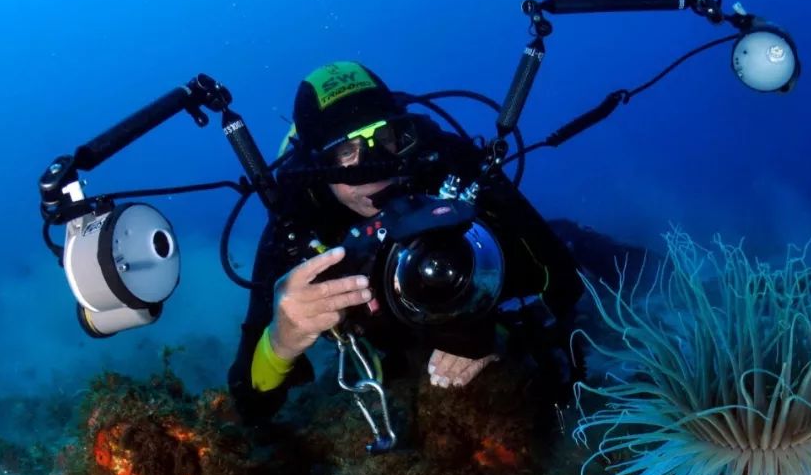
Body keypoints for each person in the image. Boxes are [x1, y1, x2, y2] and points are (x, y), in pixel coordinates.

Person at [227, 60, 583, 428]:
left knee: (581, 244)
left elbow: (562, 279)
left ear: (405, 134)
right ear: (316, 165)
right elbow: (251, 404)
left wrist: (490, 325)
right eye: (345, 152)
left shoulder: (442, 162)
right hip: (386, 345)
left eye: (385, 139)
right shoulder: (297, 224)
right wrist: (280, 342)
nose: (375, 168)